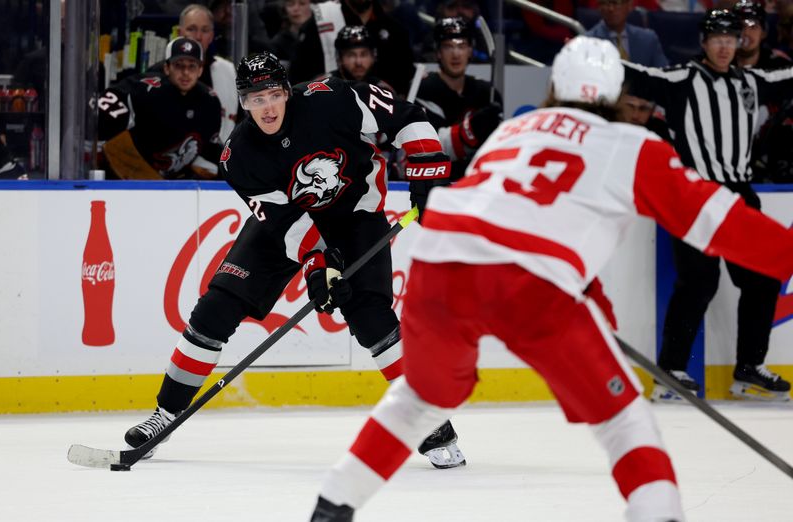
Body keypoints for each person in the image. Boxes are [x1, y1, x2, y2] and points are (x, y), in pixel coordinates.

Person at [309, 36, 793, 522]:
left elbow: (510, 214)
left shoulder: (515, 130)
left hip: (441, 262)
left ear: (555, 85)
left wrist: (594, 314)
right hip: (533, 283)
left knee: (421, 397)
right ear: (616, 95)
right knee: (624, 422)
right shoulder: (633, 145)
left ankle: (332, 506)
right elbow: (726, 224)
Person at [122, 51, 466, 470]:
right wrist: (319, 264)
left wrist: (427, 171)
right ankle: (166, 413)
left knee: (371, 317)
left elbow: (408, 118)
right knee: (216, 307)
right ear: (243, 104)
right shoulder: (239, 156)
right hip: (291, 222)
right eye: (254, 99)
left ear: (286, 90)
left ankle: (429, 422)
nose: (266, 107)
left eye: (272, 95)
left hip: (355, 215)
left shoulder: (334, 98)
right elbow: (286, 223)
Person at [623, 9, 793, 401]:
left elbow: (786, 80)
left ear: (740, 44)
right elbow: (640, 76)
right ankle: (670, 370)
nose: (723, 45)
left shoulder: (751, 81)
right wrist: (593, 57)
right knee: (699, 281)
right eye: (716, 38)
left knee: (762, 278)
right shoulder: (684, 77)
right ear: (703, 42)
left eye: (730, 39)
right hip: (697, 194)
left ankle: (749, 368)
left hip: (739, 194)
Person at [98, 37, 222, 180]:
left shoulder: (210, 102)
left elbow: (211, 146)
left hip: (170, 182)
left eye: (192, 66)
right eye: (178, 65)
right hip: (127, 178)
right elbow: (104, 104)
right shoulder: (146, 89)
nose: (186, 72)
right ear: (167, 68)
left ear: (200, 70)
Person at [414, 17, 503, 181]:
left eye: (461, 46)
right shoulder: (422, 89)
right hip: (433, 184)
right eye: (448, 46)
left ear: (470, 51)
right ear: (438, 52)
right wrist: (469, 131)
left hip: (476, 183)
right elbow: (424, 148)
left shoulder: (486, 93)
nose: (456, 54)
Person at [288, 0, 415, 94]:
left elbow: (404, 82)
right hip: (328, 112)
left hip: (383, 116)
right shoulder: (320, 23)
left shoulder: (395, 31)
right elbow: (298, 78)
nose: (359, 62)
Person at [176, 4, 239, 143]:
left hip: (225, 158)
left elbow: (241, 120)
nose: (198, 37)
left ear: (211, 36)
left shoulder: (228, 69)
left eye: (204, 30)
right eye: (191, 29)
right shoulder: (167, 72)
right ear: (179, 33)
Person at [585, 0, 668, 67]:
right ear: (598, 7)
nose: (610, 8)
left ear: (630, 5)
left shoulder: (648, 39)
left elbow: (665, 75)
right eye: (604, 3)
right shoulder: (587, 42)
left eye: (616, 2)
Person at [327, 25, 394, 91]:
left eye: (364, 55)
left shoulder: (383, 90)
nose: (358, 62)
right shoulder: (325, 87)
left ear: (373, 57)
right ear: (339, 58)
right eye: (351, 55)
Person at [733, 1, 792, 70]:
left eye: (753, 27)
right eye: (741, 26)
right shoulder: (721, 64)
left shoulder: (781, 67)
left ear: (763, 33)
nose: (746, 33)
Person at [270, 0, 313, 66]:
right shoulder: (278, 42)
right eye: (290, 4)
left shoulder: (321, 36)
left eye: (302, 4)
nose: (296, 8)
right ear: (285, 10)